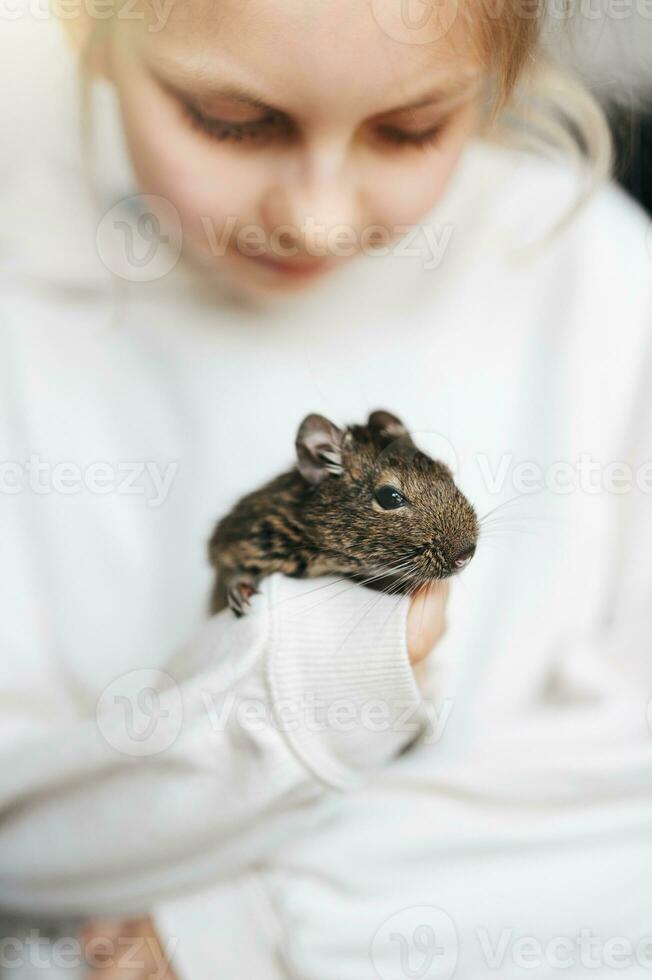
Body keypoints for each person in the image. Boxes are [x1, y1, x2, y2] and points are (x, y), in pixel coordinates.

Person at [1, 2, 651, 978]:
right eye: (229, 119)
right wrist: (307, 686)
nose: (318, 216)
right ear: (88, 30)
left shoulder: (593, 277)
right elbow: (24, 837)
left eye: (408, 130)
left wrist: (254, 922)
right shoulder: (29, 304)